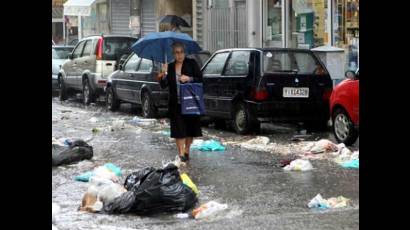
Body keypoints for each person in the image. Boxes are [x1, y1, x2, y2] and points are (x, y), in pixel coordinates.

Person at [157, 42, 203, 162]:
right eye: (177, 52)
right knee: (178, 130)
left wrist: (189, 78)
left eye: (181, 52)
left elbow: (201, 79)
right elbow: (163, 85)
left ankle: (187, 149)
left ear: (184, 52)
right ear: (173, 54)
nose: (179, 55)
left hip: (190, 103)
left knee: (189, 129)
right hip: (175, 103)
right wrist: (163, 73)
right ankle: (181, 153)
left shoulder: (192, 64)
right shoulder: (170, 67)